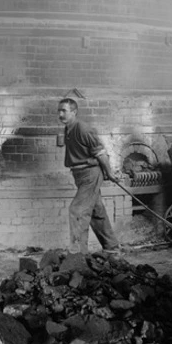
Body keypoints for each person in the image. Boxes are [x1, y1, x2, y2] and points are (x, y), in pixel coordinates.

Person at [57, 97, 122, 254]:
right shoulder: (68, 129)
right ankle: (112, 248)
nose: (60, 114)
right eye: (59, 111)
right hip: (80, 175)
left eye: (64, 111)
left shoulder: (83, 129)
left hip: (90, 174)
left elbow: (101, 154)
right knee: (96, 211)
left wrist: (109, 173)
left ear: (74, 112)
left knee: (77, 210)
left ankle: (78, 253)